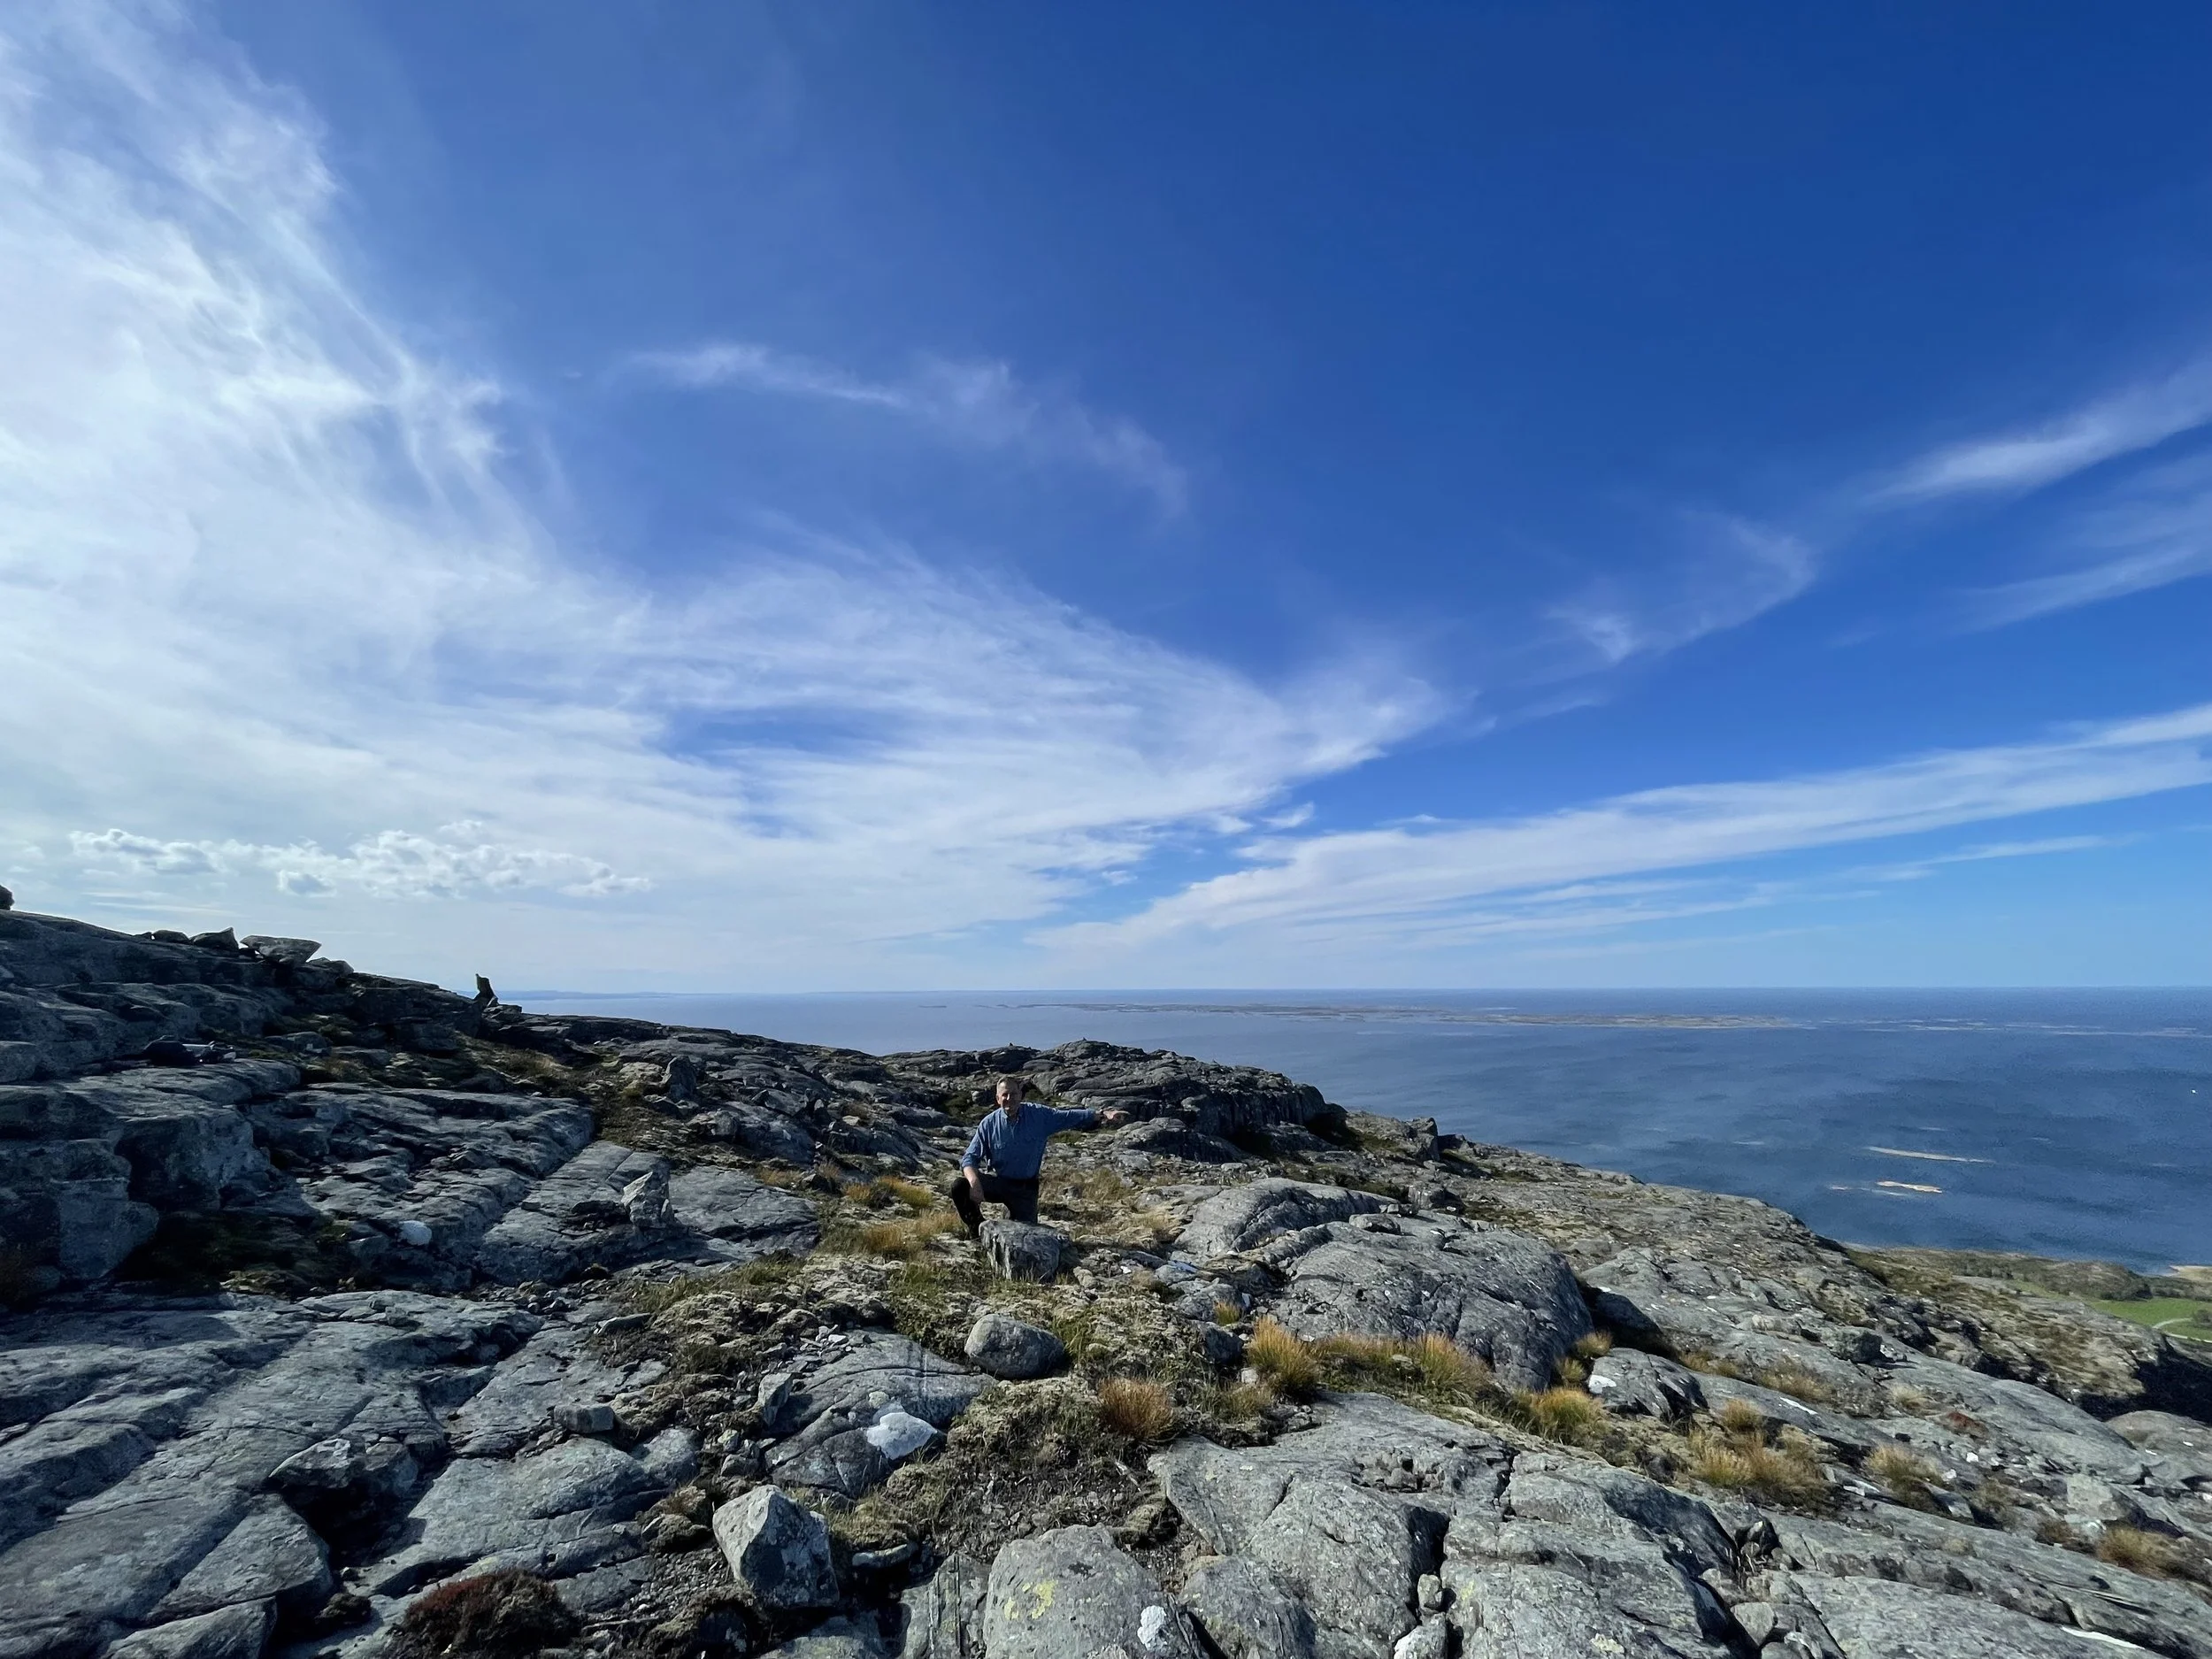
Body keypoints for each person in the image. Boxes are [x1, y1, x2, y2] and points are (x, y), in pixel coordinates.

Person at [949, 1075, 1127, 1233]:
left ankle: (1012, 1214)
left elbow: (1069, 1116)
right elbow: (969, 1158)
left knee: (1023, 1234)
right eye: (1005, 1095)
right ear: (998, 1098)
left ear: (1021, 1095)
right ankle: (976, 1229)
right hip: (998, 1182)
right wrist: (974, 1183)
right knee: (960, 1186)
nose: (1009, 1099)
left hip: (1026, 1189)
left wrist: (1103, 1114)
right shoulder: (988, 1124)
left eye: (1014, 1094)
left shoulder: (1039, 1116)